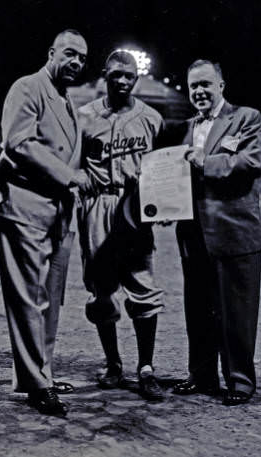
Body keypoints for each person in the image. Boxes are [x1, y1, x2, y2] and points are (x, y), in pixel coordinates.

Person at [0, 29, 91, 416]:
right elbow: (18, 141)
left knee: (50, 299)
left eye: (82, 58)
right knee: (29, 298)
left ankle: (39, 373)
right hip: (25, 206)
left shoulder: (67, 100)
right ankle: (37, 382)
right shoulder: (28, 87)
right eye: (70, 54)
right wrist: (71, 175)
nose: (76, 63)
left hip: (58, 212)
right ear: (51, 52)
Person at [167, 59, 261, 406]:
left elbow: (250, 162)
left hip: (235, 232)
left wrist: (204, 162)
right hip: (193, 234)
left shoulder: (246, 118)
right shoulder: (185, 127)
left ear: (221, 85)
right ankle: (201, 375)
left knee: (236, 312)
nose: (199, 92)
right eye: (193, 86)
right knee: (198, 308)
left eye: (206, 84)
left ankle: (240, 381)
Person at [76, 50, 165, 401]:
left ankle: (146, 368)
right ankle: (113, 364)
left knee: (143, 285)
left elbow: (162, 169)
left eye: (129, 76)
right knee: (101, 290)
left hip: (134, 206)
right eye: (116, 75)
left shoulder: (152, 118)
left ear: (136, 78)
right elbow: (73, 162)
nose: (123, 81)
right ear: (105, 75)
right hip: (98, 204)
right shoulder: (83, 116)